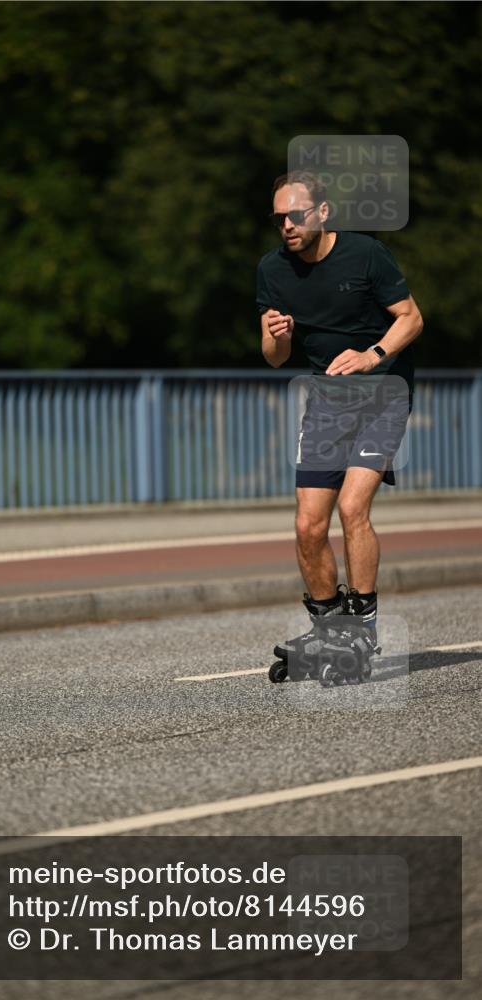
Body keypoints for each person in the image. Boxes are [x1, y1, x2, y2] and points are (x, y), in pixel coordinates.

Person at [256, 170, 423, 681]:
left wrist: (372, 356)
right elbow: (275, 359)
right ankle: (330, 625)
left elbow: (411, 318)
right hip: (327, 400)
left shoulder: (365, 254)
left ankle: (364, 625)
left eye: (297, 215)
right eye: (279, 217)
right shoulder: (272, 270)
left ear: (322, 214)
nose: (287, 225)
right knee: (308, 524)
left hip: (382, 394)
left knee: (352, 507)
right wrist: (277, 335)